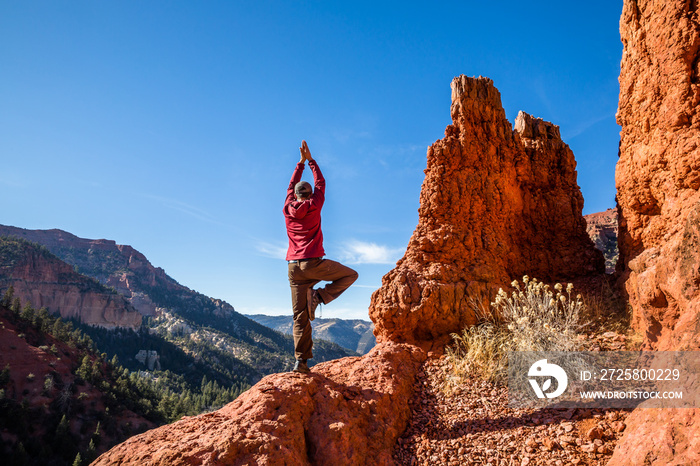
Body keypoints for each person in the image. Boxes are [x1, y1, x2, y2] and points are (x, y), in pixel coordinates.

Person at [284, 140, 358, 374]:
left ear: (295, 196)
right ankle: (319, 296)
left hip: (293, 269)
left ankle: (301, 363)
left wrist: (300, 164)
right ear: (309, 195)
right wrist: (311, 161)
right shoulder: (315, 204)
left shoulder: (287, 207)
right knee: (350, 275)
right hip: (313, 264)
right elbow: (321, 183)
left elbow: (290, 186)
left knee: (300, 317)